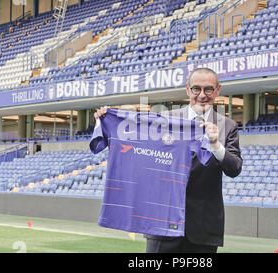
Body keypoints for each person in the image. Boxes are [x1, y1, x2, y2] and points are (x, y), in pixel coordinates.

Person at [94, 67, 243, 253]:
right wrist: (107, 121)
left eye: (208, 89)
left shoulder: (227, 126)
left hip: (203, 228)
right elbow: (135, 144)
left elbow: (235, 168)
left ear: (218, 90)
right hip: (161, 222)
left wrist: (215, 145)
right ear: (188, 89)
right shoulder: (164, 120)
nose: (202, 95)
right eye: (196, 89)